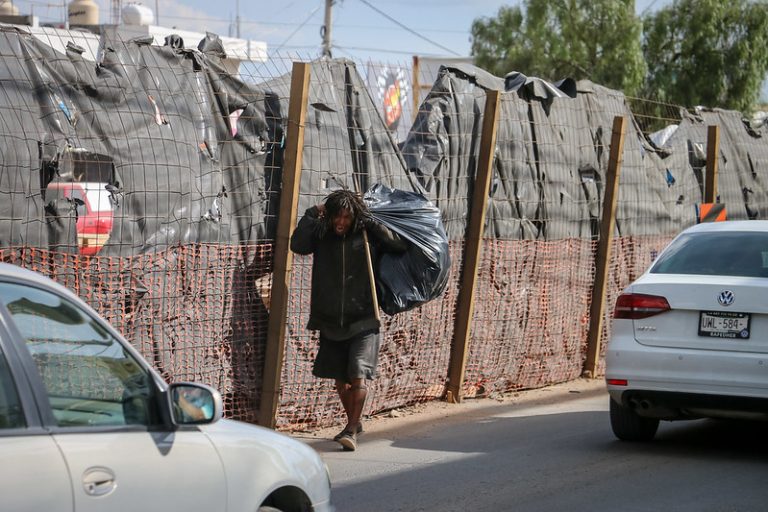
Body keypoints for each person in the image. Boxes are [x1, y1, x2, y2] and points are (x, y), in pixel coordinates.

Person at [290, 189, 407, 451]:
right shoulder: (321, 234)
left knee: (357, 374)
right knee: (340, 380)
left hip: (364, 317)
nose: (341, 222)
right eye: (337, 217)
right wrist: (312, 213)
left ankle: (352, 429)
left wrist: (373, 223)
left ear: (355, 218)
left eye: (347, 217)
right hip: (331, 319)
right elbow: (298, 245)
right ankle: (355, 420)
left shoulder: (367, 234)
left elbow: (399, 244)